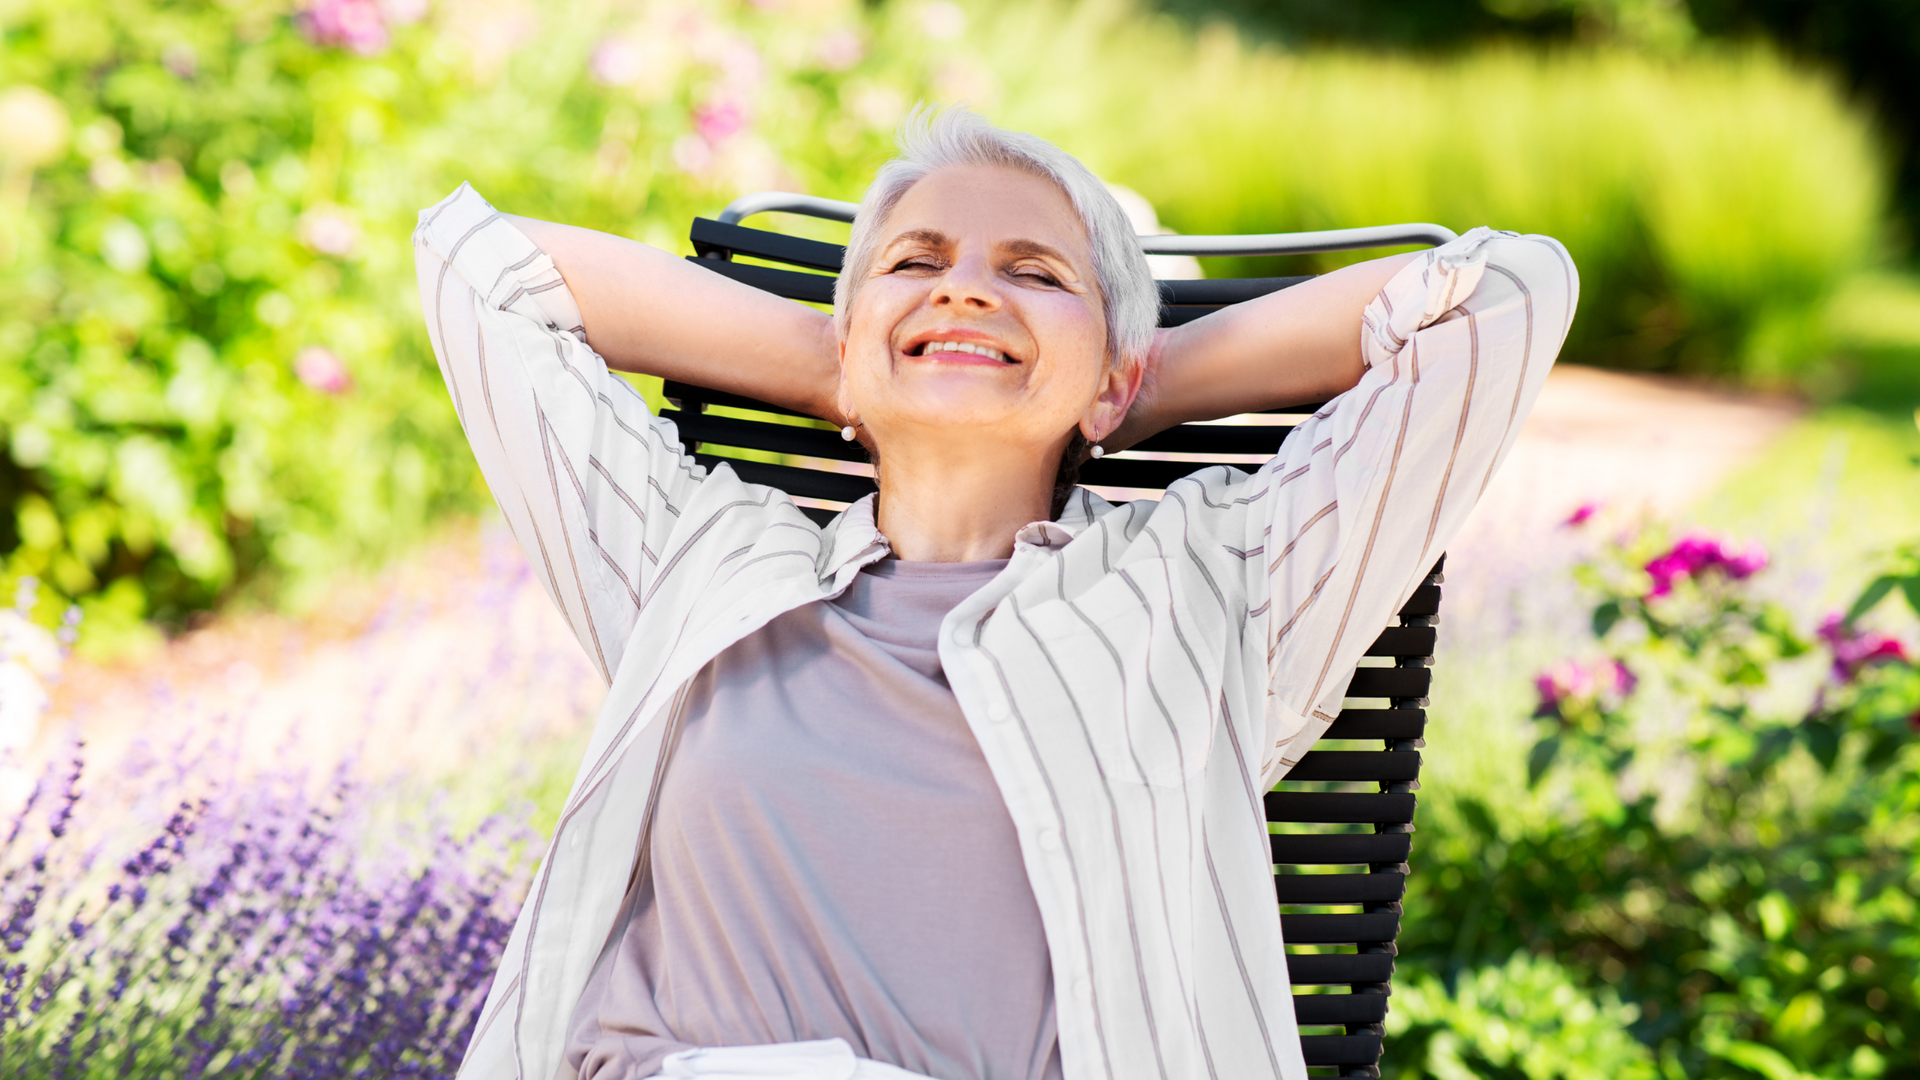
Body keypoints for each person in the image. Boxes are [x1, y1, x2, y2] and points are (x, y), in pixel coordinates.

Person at [412, 107, 1577, 1080]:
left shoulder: (1211, 591)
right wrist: (845, 360)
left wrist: (1148, 377)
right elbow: (481, 269)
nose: (966, 291)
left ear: (1116, 375)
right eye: (917, 263)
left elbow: (1502, 295)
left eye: (1033, 272)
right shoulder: (698, 563)